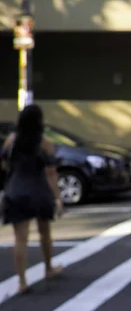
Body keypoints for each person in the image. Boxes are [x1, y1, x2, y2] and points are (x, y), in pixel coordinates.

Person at [0, 104, 64, 295]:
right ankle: (48, 268)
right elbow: (51, 173)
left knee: (20, 239)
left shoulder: (11, 140)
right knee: (45, 232)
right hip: (38, 189)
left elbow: (3, 163)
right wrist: (58, 198)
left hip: (15, 189)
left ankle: (22, 281)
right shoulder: (44, 143)